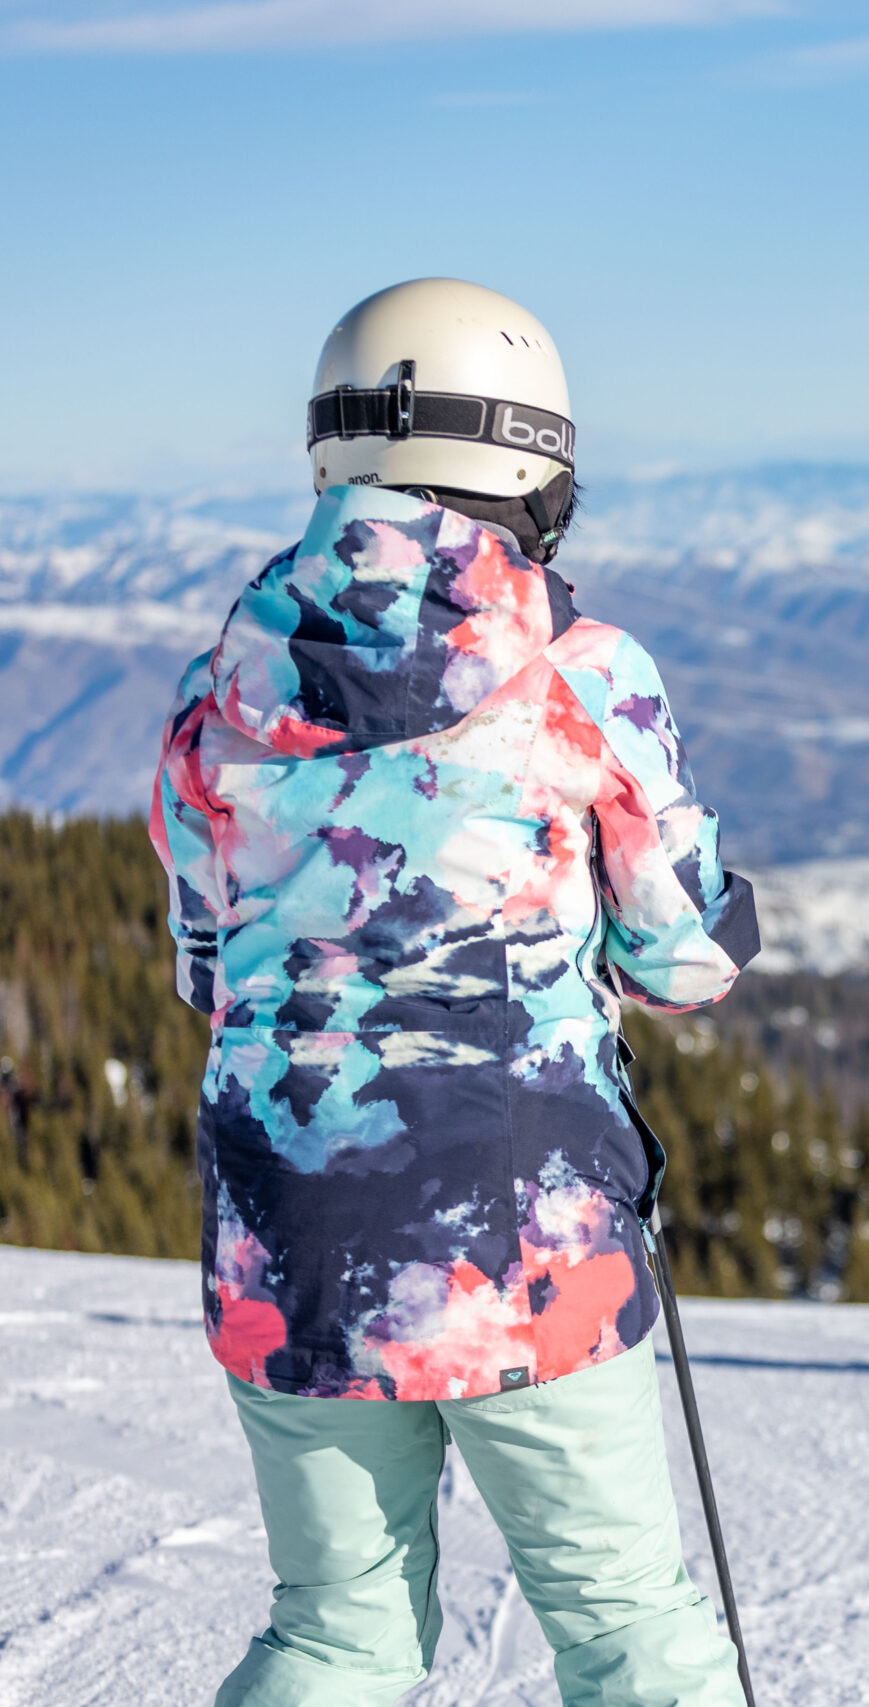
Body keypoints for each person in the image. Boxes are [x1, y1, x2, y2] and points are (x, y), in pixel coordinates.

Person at [149, 278, 760, 1706]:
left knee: (334, 1632)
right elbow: (685, 960)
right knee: (627, 1629)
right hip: (522, 1221)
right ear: (529, 473)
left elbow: (205, 963)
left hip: (285, 1224)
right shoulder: (581, 673)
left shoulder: (213, 689)